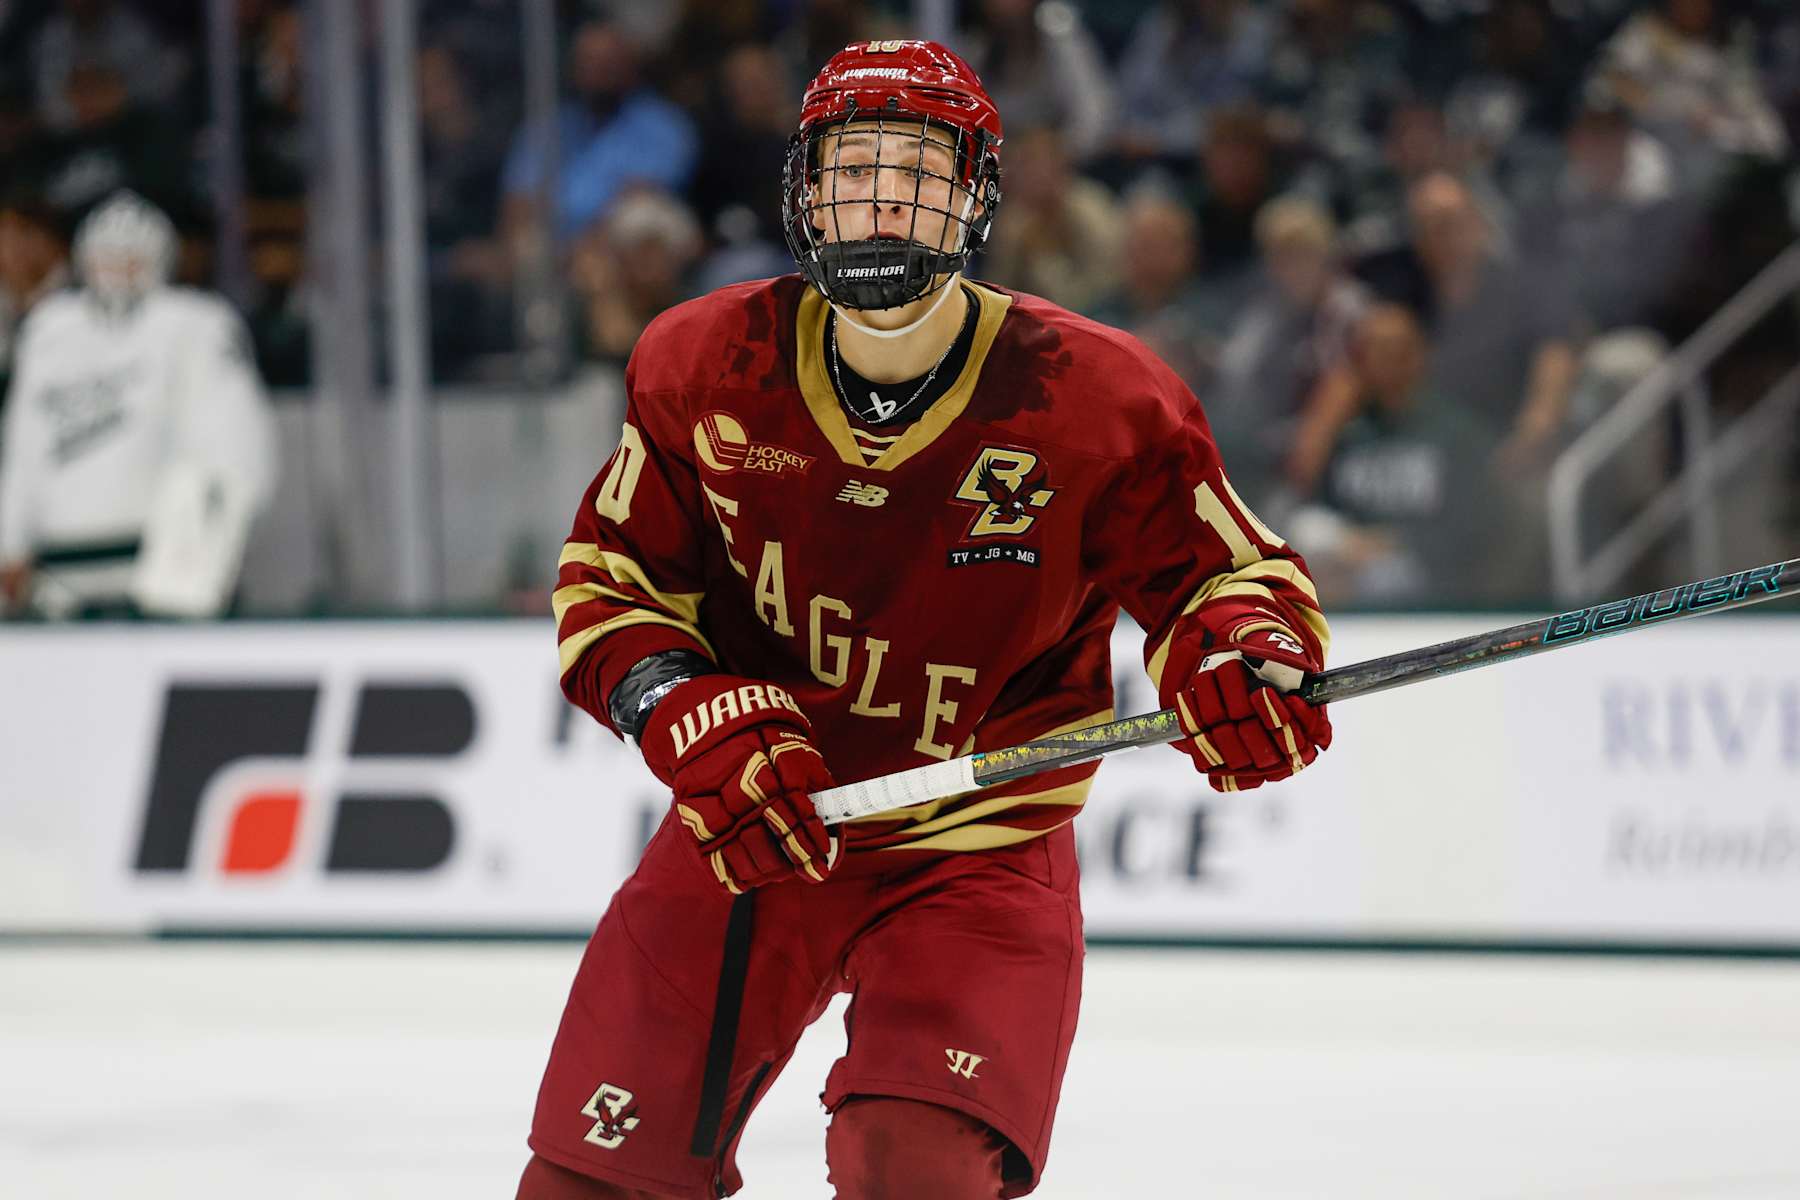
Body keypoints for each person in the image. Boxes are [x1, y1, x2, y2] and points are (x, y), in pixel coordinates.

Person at [521, 41, 1333, 1200]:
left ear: (977, 196)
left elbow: (1227, 578)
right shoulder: (701, 363)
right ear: (804, 190)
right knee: (588, 1183)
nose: (883, 199)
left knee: (914, 1168)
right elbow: (613, 587)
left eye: (919, 171)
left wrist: (1245, 658)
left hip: (978, 853)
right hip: (761, 831)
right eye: (855, 170)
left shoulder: (1097, 396)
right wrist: (674, 704)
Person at [0, 191, 274, 619]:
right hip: (57, 571)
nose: (118, 267)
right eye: (108, 255)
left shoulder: (196, 324)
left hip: (157, 568)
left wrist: (206, 559)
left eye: (130, 257)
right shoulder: (50, 330)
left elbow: (234, 450)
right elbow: (25, 447)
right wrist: (10, 541)